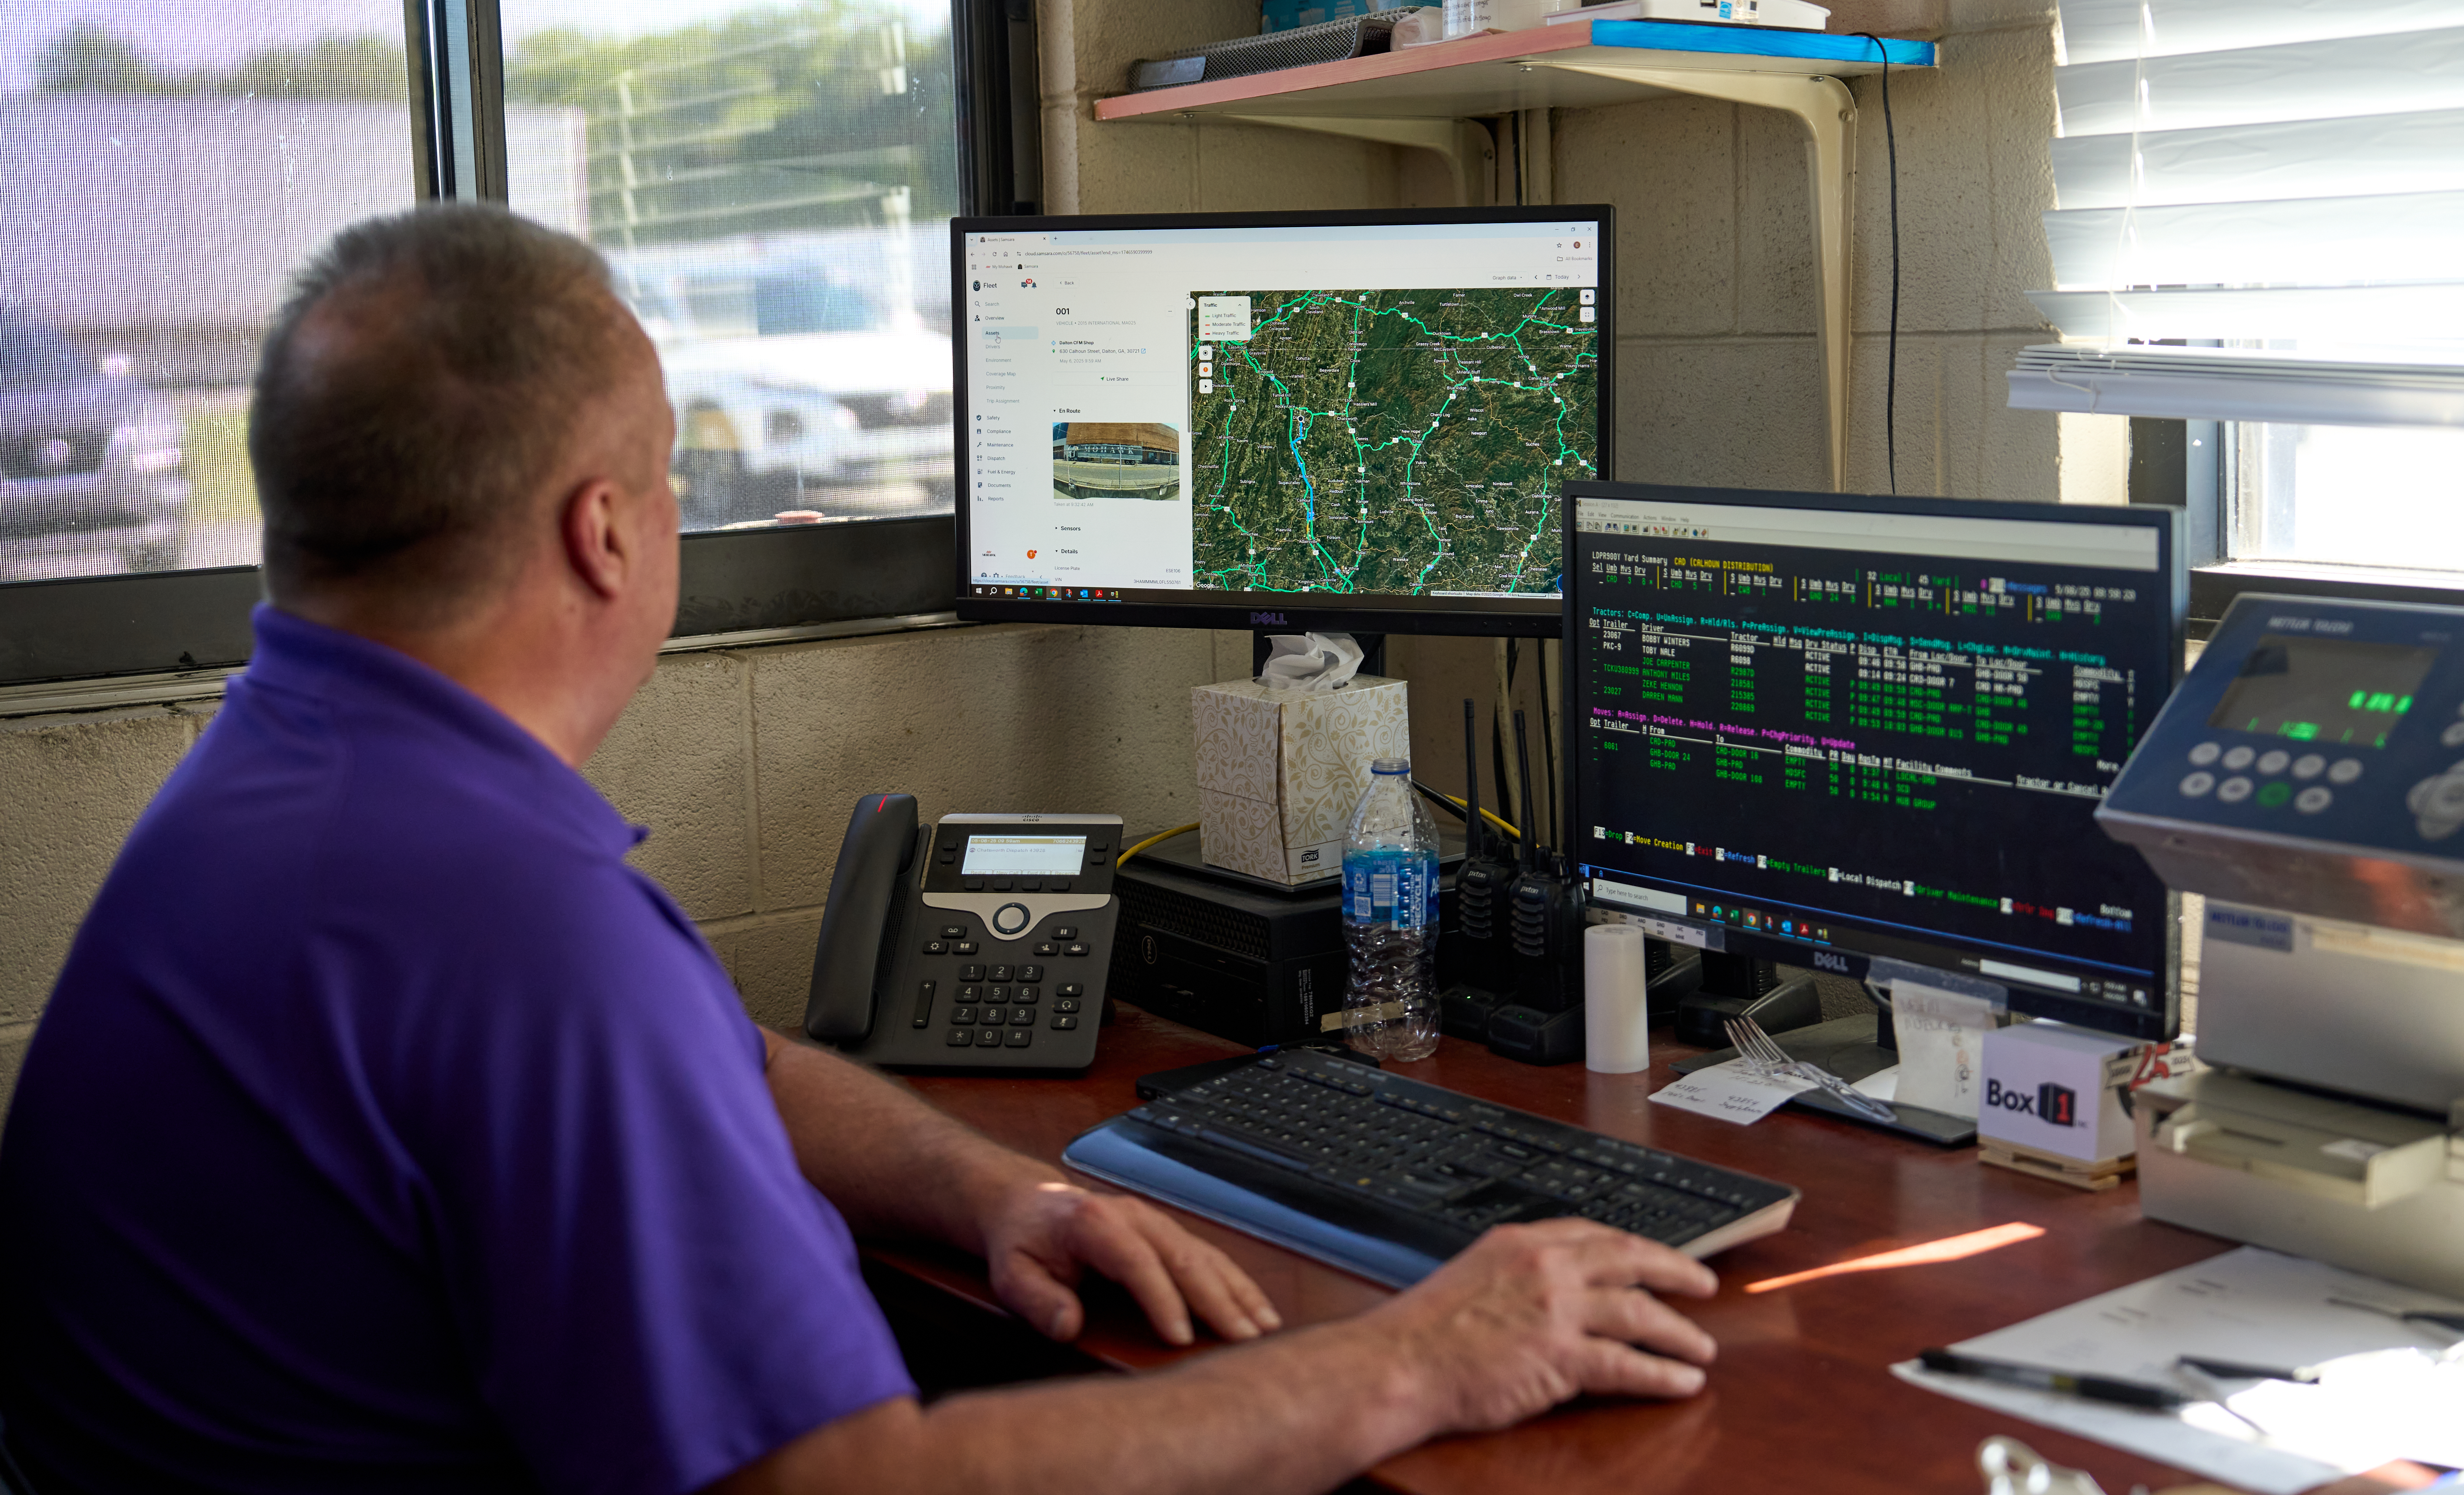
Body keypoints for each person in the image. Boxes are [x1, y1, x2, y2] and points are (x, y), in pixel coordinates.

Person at [0, 204, 1722, 1495]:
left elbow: (714, 1059)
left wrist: (990, 1187)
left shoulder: (287, 771)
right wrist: (1418, 1356)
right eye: (672, 480)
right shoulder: (512, 929)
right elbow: (840, 1485)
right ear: (604, 533)